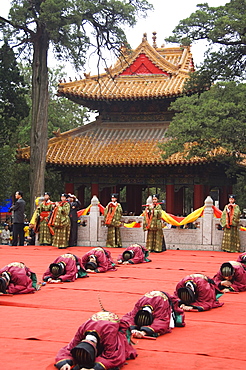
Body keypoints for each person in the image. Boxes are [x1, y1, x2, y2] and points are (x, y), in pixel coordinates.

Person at [54, 310, 137, 370]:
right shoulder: (82, 331)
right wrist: (64, 363)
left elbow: (113, 356)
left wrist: (95, 368)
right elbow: (69, 349)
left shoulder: (109, 334)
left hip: (111, 331)